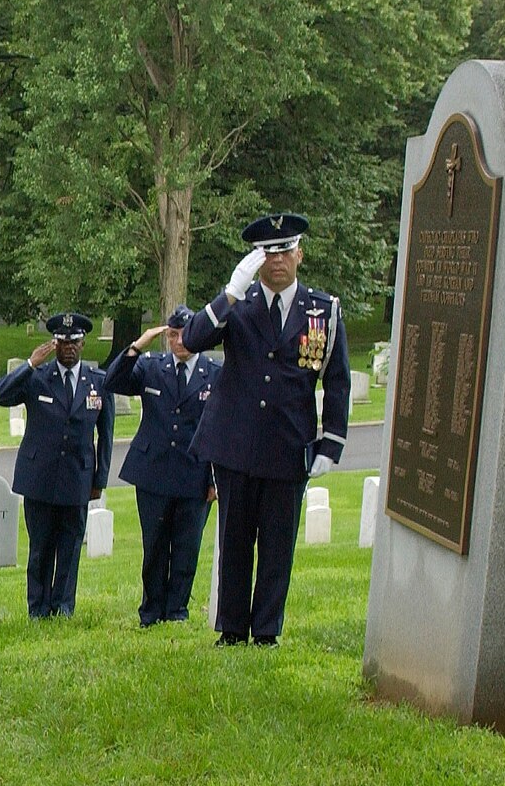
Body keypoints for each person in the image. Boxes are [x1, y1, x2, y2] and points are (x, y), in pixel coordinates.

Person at [183, 212, 350, 645]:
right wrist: (230, 292)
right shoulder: (239, 304)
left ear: (300, 254)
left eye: (285, 251)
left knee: (278, 546)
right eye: (267, 253)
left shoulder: (322, 309)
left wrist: (331, 444)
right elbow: (193, 338)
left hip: (287, 444)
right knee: (235, 542)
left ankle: (267, 632)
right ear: (256, 260)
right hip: (236, 443)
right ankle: (233, 630)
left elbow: (336, 380)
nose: (277, 260)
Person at [103, 308, 222, 626]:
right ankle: (151, 610)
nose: (178, 340)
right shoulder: (151, 367)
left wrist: (216, 479)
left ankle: (177, 610)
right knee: (154, 545)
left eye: (184, 333)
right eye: (172, 334)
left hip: (195, 472)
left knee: (187, 545)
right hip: (153, 471)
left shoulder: (214, 372)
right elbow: (113, 382)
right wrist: (136, 347)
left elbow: (221, 427)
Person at [0, 312, 116, 617]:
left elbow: (107, 435)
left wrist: (99, 480)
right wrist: (30, 363)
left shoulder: (97, 383)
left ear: (83, 343)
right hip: (39, 477)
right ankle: (38, 608)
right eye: (62, 342)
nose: (68, 348)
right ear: (54, 344)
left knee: (71, 547)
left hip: (78, 476)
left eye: (74, 342)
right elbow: (0, 395)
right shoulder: (37, 377)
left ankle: (63, 607)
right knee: (41, 549)